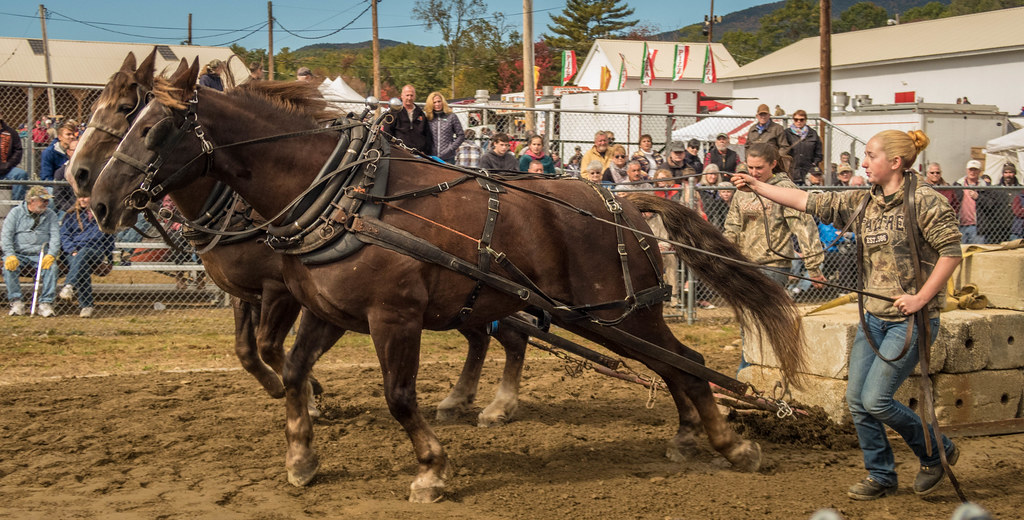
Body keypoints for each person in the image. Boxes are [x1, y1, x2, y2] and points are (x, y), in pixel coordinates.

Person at [730, 129, 963, 501]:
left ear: (895, 162)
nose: (863, 163)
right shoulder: (863, 200)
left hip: (909, 322)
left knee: (876, 400)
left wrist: (921, 298)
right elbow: (806, 200)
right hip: (873, 317)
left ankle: (938, 451)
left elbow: (951, 253)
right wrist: (758, 186)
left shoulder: (924, 201)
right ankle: (881, 474)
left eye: (870, 156)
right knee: (857, 400)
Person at [723, 143, 825, 289]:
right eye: (750, 167)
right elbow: (732, 227)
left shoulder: (784, 189)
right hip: (745, 263)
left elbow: (804, 228)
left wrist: (813, 267)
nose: (754, 172)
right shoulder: (742, 190)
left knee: (762, 303)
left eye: (759, 168)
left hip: (774, 265)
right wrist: (725, 256)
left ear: (773, 164)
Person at [2, 186, 60, 317]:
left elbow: (55, 237)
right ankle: (16, 302)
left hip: (41, 254)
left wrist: (51, 254)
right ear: (31, 201)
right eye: (43, 200)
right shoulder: (15, 213)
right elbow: (6, 236)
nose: (46, 203)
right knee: (8, 267)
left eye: (47, 200)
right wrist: (10, 255)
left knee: (52, 267)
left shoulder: (51, 215)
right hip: (19, 254)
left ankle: (46, 303)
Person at [59, 196, 114, 318]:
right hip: (73, 251)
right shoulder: (71, 215)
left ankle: (69, 285)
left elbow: (109, 240)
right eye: (80, 197)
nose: (82, 200)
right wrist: (71, 250)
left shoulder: (103, 216)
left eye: (85, 197)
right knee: (82, 265)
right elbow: (64, 235)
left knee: (83, 253)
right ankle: (87, 306)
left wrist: (110, 259)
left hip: (95, 251)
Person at [384, 85, 433, 156]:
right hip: (400, 153)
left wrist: (426, 152)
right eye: (407, 95)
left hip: (419, 154)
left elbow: (427, 134)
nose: (409, 98)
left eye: (411, 95)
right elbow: (387, 132)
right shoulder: (394, 112)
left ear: (415, 96)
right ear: (402, 96)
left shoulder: (420, 113)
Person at [977, 163, 1020, 243]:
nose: (1008, 175)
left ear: (1014, 173)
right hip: (998, 227)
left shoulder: (1020, 189)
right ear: (1003, 174)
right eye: (1006, 172)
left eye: (1010, 172)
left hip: (1016, 227)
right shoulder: (995, 189)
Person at [953, 159, 990, 244]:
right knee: (960, 250)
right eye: (970, 169)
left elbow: (991, 204)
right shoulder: (958, 184)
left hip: (977, 227)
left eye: (975, 170)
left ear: (979, 171)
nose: (972, 172)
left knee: (977, 250)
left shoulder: (985, 186)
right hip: (960, 226)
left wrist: (978, 198)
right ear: (967, 170)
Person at [424, 91, 465, 163]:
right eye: (434, 102)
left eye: (439, 101)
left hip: (448, 158)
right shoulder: (427, 118)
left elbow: (461, 135)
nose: (437, 104)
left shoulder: (451, 116)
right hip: (431, 157)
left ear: (443, 102)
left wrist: (451, 148)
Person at [785, 109, 823, 185]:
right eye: (796, 119)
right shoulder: (787, 133)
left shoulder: (813, 134)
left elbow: (818, 153)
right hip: (792, 172)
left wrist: (814, 164)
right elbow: (783, 151)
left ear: (805, 120)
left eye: (801, 120)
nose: (798, 122)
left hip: (808, 171)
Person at [0, 110, 28, 201]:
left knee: (21, 174)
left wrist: (7, 165)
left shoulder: (11, 132)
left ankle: (16, 206)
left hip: (7, 169)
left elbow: (18, 151)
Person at [52, 138, 79, 218]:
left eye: (80, 149)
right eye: (75, 150)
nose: (78, 152)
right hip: (68, 209)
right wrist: (72, 209)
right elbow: (58, 198)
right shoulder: (61, 172)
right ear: (68, 152)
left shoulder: (91, 170)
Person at [698, 164, 728, 229]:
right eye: (711, 174)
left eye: (715, 174)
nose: (713, 177)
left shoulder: (720, 189)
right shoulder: (699, 188)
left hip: (718, 220)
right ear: (705, 175)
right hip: (703, 219)